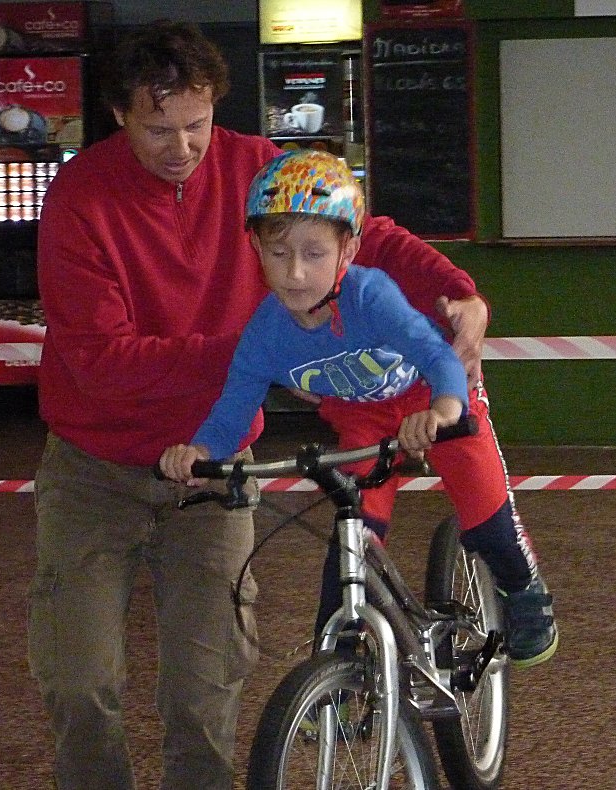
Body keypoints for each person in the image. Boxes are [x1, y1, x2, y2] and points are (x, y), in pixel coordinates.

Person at [28, 19, 519, 790]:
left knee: (206, 688)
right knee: (79, 681)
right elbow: (99, 363)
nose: (183, 147)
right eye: (159, 129)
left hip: (216, 467)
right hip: (97, 470)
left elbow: (367, 234)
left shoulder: (257, 167)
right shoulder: (80, 199)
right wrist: (263, 351)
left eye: (197, 124)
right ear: (118, 115)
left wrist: (456, 290)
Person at [160, 149, 558, 675]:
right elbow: (233, 409)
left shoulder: (372, 297)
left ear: (347, 250)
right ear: (254, 246)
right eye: (278, 254)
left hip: (430, 398)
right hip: (362, 423)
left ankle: (524, 588)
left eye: (314, 253)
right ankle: (339, 665)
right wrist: (201, 452)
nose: (296, 274)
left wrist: (442, 410)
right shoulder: (264, 333)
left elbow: (440, 357)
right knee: (351, 546)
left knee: (486, 520)